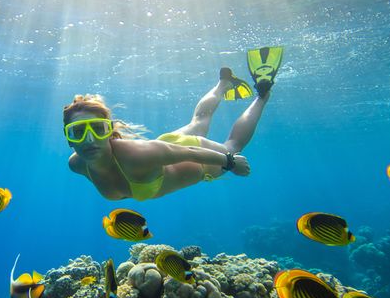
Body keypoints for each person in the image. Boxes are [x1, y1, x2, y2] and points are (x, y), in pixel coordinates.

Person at [63, 46, 283, 201]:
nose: (89, 139)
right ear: (68, 140)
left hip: (195, 160)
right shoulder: (77, 165)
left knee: (233, 145)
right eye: (78, 132)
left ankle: (262, 94)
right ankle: (223, 83)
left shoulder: (137, 155)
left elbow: (190, 153)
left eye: (98, 129)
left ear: (110, 132)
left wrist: (230, 162)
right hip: (166, 145)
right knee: (199, 120)